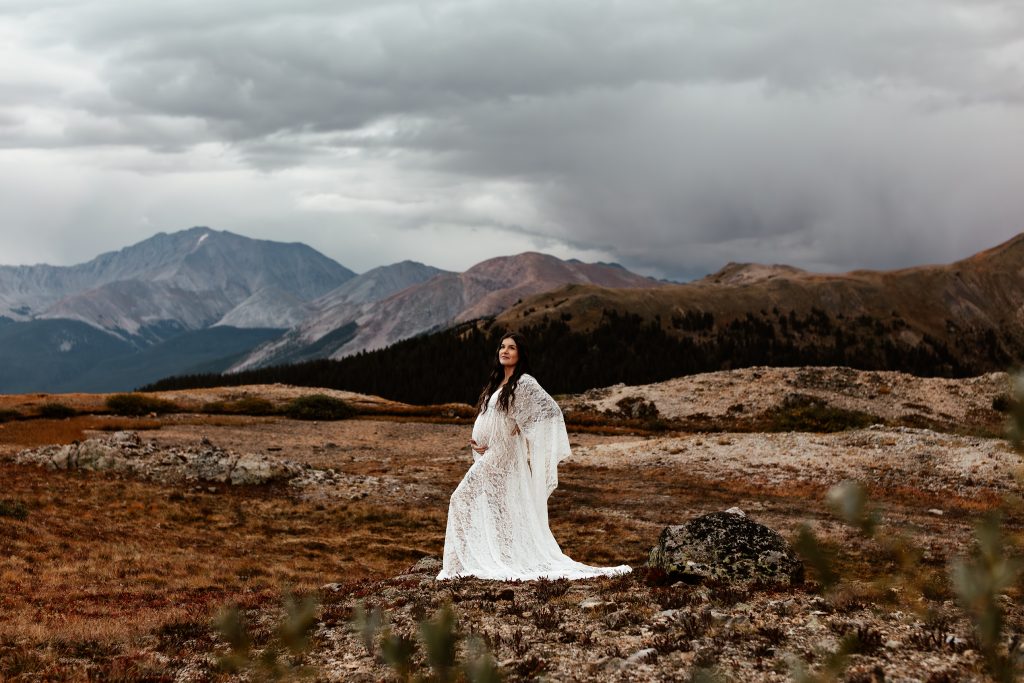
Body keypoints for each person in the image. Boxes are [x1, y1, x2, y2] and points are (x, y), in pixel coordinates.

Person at [436, 332, 631, 581]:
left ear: (520, 354)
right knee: (497, 508)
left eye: (512, 347)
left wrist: (522, 430)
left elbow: (550, 411)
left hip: (502, 456)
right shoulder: (497, 382)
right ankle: (483, 558)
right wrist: (479, 442)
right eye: (502, 347)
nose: (505, 351)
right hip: (490, 453)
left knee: (460, 498)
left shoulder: (524, 382)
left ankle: (460, 565)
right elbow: (494, 418)